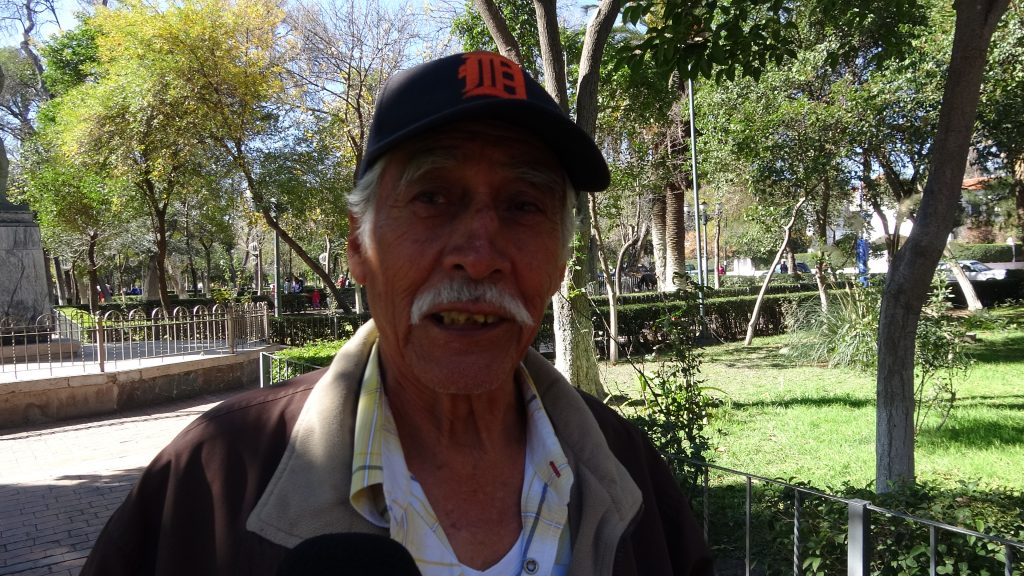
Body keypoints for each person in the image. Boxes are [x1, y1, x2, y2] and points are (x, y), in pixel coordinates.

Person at [82, 51, 712, 576]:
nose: (479, 257)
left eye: (524, 206)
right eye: (433, 197)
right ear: (359, 247)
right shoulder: (212, 478)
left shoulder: (628, 476)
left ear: (560, 259)